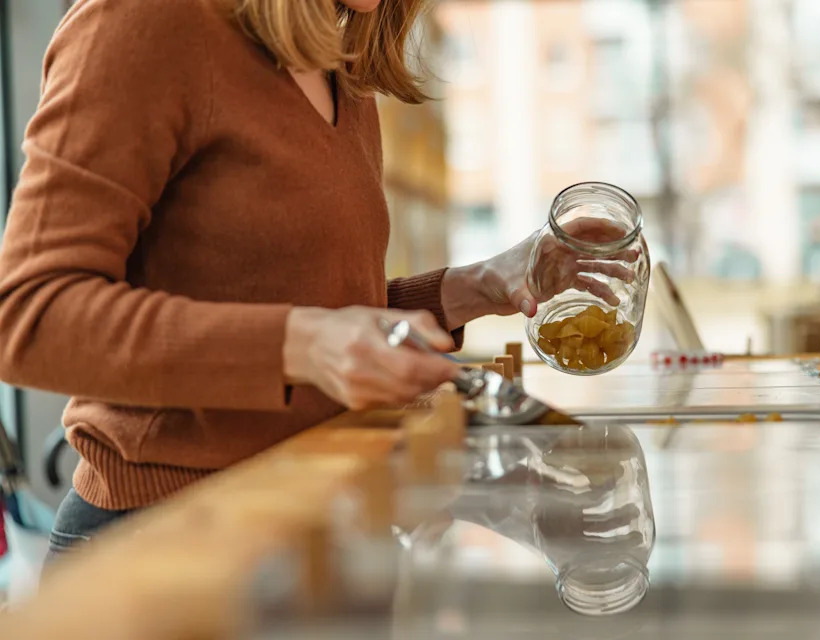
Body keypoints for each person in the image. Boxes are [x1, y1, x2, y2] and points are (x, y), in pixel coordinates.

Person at [0, 0, 630, 563]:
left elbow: (319, 314)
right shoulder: (143, 21)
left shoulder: (342, 64)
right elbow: (27, 315)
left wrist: (485, 284)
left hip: (319, 527)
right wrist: (301, 344)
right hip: (163, 547)